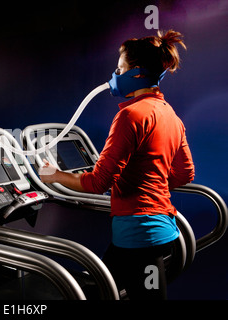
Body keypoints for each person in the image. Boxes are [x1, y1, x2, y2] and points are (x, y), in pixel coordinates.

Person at [39, 30, 195, 299]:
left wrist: (54, 176)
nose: (114, 74)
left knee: (106, 290)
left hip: (140, 235)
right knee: (101, 287)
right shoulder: (171, 115)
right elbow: (185, 173)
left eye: (119, 68)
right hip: (161, 229)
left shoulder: (130, 116)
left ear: (135, 72)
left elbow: (99, 182)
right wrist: (148, 181)